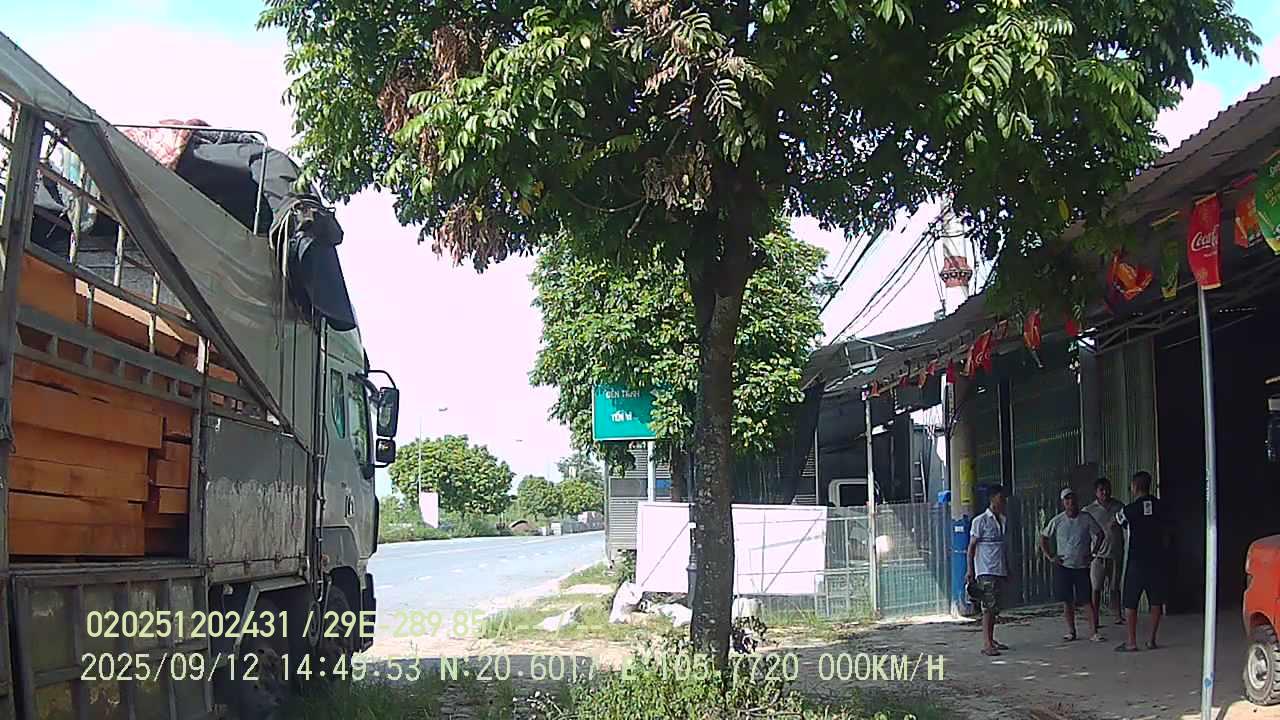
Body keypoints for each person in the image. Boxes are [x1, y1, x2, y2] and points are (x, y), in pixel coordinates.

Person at [1115, 470, 1170, 652]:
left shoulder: (1129, 509)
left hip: (1136, 561)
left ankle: (1131, 642)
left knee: (1130, 601)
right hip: (1157, 561)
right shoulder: (1161, 506)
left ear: (1135, 486)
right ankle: (1151, 640)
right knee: (1156, 601)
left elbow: (1119, 522)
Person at [1040, 488, 1105, 642]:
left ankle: (1094, 631)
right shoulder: (1058, 520)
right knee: (1067, 600)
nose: (1070, 502)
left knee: (1086, 600)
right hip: (1064, 566)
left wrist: (1093, 553)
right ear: (1063, 503)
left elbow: (1100, 534)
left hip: (1082, 566)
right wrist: (1051, 556)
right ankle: (1071, 631)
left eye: (1072, 499)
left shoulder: (1086, 518)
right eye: (1067, 500)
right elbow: (1043, 537)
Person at [967, 485, 1010, 656]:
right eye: (1000, 498)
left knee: (994, 607)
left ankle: (991, 639)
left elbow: (1003, 547)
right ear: (992, 499)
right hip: (985, 569)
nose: (1003, 501)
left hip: (999, 568)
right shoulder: (980, 521)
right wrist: (970, 570)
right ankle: (987, 643)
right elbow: (971, 547)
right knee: (988, 607)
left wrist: (1007, 568)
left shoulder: (1003, 520)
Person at [1083, 477, 1126, 626]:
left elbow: (1126, 525)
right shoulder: (1088, 510)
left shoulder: (1119, 506)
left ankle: (1118, 615)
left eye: (1107, 489)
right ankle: (1095, 618)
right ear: (1096, 492)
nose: (1105, 492)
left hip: (1116, 552)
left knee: (1115, 587)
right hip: (1098, 555)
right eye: (1101, 490)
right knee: (1096, 588)